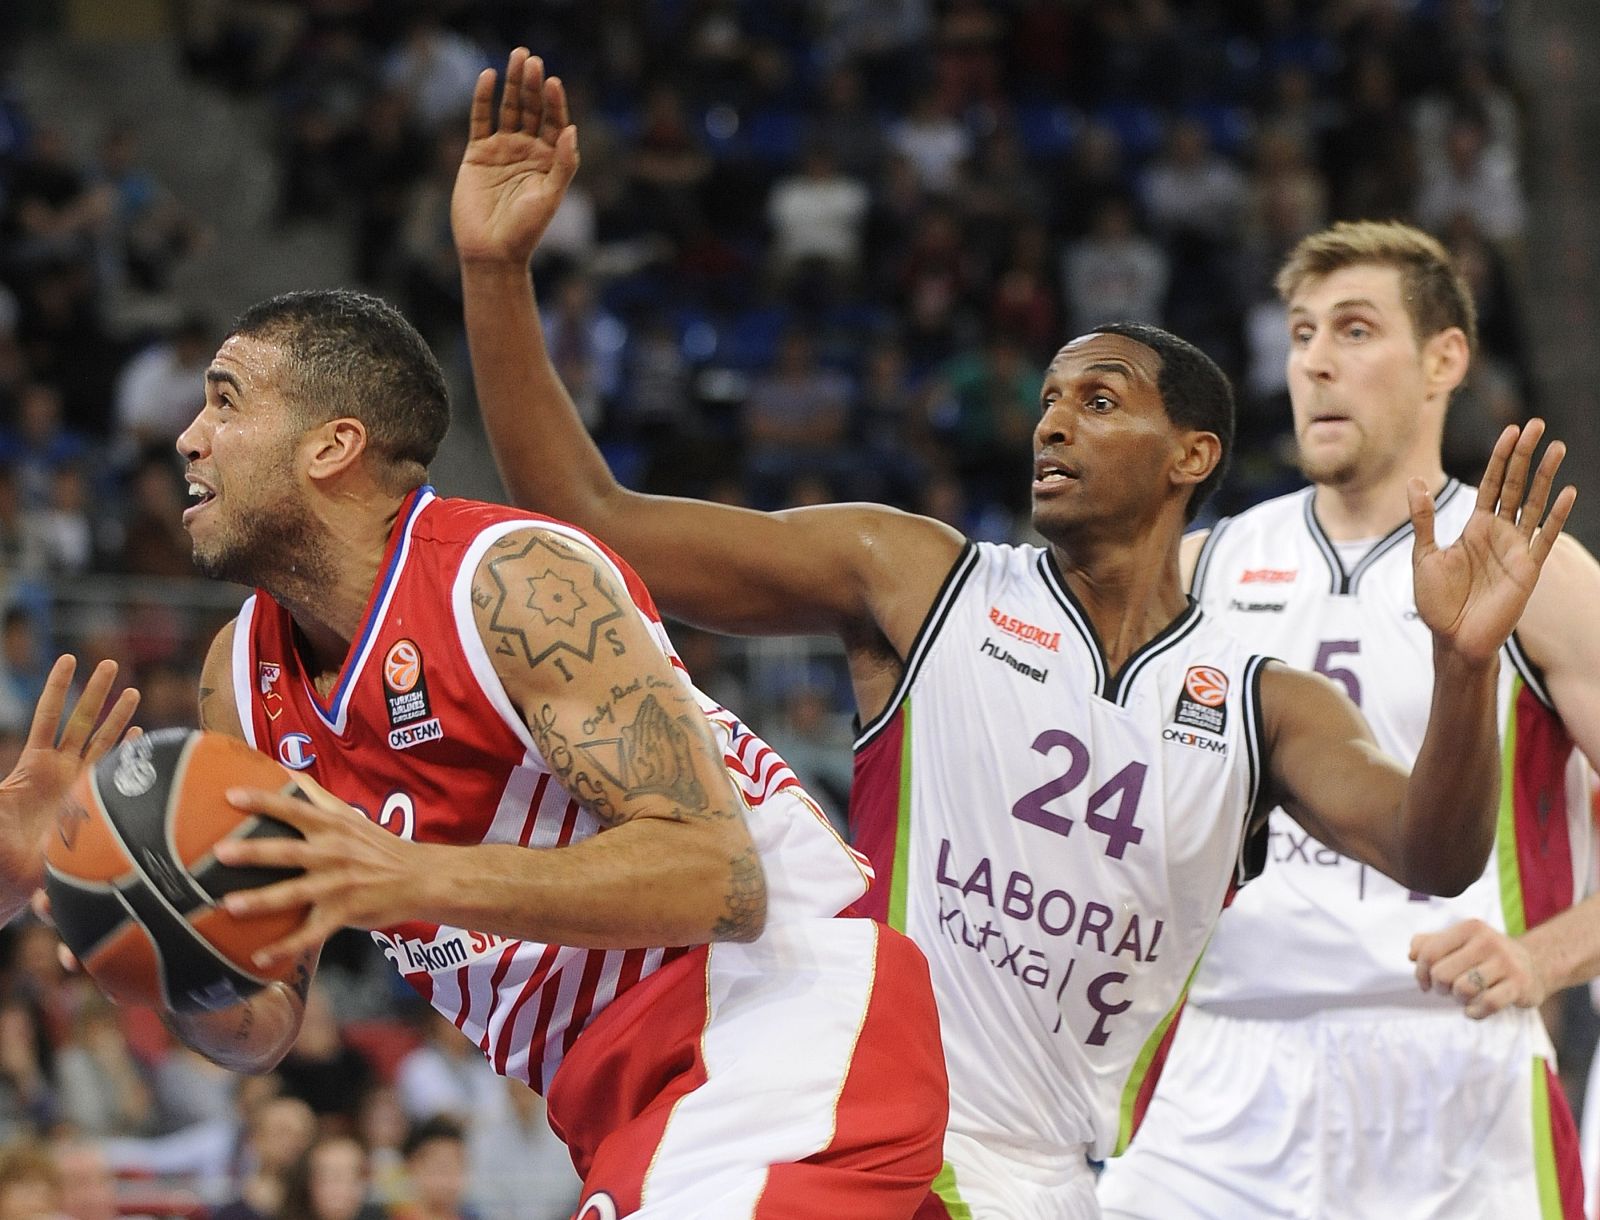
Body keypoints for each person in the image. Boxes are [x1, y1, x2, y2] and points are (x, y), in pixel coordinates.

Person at [454, 51, 1578, 1218]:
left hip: (1050, 1176)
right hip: (859, 1114)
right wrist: (495, 270)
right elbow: (594, 521)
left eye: (1099, 401)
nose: (1053, 422)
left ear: (1191, 454)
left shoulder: (1262, 698)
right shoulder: (914, 575)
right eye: (1048, 399)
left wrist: (1460, 665)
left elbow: (1436, 853)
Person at [67, 282, 937, 1220]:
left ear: (332, 445)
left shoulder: (513, 581)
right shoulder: (237, 677)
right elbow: (261, 1025)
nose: (189, 436)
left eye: (226, 399)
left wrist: (411, 876)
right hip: (619, 1107)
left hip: (775, 1018)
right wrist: (132, 914)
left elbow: (720, 877)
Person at [1097, 222, 1600, 1219]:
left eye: (1356, 329)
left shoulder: (1539, 574)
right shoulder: (1198, 570)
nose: (1315, 361)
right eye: (1299, 333)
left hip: (1451, 1062)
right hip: (1213, 1069)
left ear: (1442, 359)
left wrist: (1544, 956)